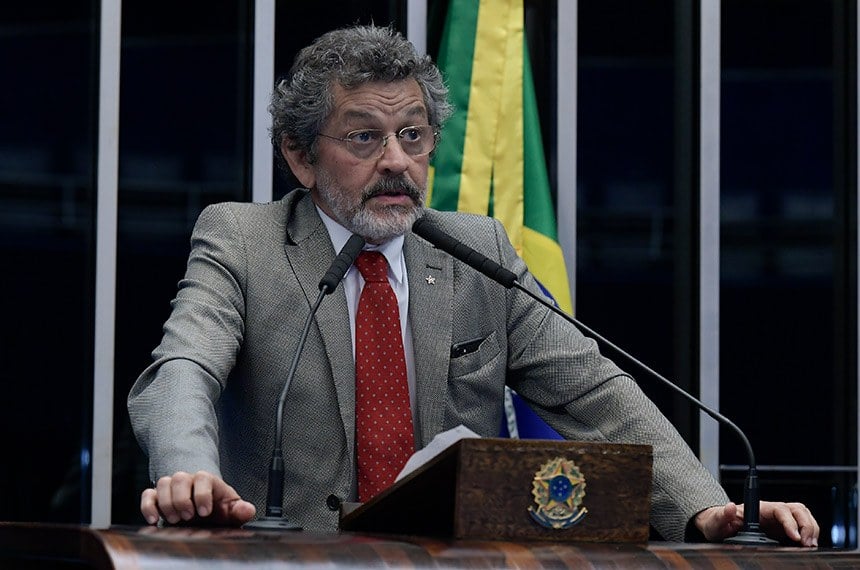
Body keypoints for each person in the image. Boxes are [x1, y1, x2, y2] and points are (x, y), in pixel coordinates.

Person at [127, 24, 819, 545]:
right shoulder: (244, 240)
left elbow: (594, 392)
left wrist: (707, 507)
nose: (397, 161)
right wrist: (190, 474)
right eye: (364, 139)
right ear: (300, 157)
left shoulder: (477, 248)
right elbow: (184, 366)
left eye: (413, 134)